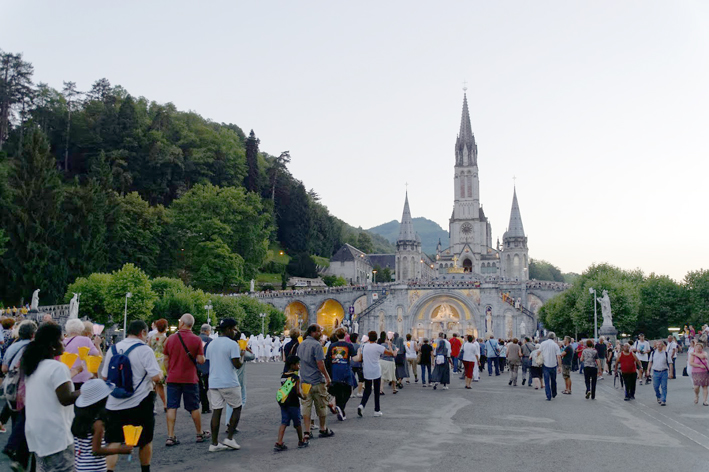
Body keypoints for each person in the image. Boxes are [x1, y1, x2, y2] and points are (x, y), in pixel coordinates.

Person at [101, 320, 162, 472]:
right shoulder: (144, 350)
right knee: (145, 440)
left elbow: (104, 377)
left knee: (113, 441)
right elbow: (156, 378)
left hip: (114, 403)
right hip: (140, 402)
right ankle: (145, 469)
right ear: (142, 332)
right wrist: (160, 373)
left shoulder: (113, 349)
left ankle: (109, 470)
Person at [23, 323, 81, 472]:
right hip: (56, 435)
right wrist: (89, 390)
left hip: (37, 432)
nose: (64, 344)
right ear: (52, 345)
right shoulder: (57, 367)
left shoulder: (34, 367)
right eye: (61, 340)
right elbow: (66, 398)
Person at [163, 313, 210, 446]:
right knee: (194, 407)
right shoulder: (196, 340)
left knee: (172, 406)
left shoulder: (170, 339)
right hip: (190, 378)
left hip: (173, 378)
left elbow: (165, 359)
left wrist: (169, 371)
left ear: (182, 323)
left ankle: (170, 436)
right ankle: (199, 433)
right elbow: (201, 360)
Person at [71, 379, 133, 471]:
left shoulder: (79, 419)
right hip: (95, 468)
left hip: (80, 466)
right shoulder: (98, 424)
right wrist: (122, 450)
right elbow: (96, 450)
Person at [205, 318, 242, 452]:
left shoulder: (212, 344)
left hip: (214, 381)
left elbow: (208, 361)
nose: (235, 332)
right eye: (234, 329)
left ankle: (214, 443)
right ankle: (230, 438)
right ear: (228, 329)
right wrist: (242, 356)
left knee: (217, 410)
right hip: (228, 381)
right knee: (237, 407)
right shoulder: (232, 344)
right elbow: (237, 365)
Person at [296, 324, 334, 441]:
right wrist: (327, 377)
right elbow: (320, 364)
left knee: (306, 406)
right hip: (317, 380)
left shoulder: (301, 345)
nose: (320, 334)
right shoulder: (317, 345)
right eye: (318, 331)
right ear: (312, 332)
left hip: (305, 381)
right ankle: (323, 428)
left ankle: (307, 431)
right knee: (321, 405)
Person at [355, 330, 395, 417]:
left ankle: (362, 405)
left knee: (367, 389)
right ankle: (377, 410)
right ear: (376, 338)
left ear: (369, 338)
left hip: (367, 369)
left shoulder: (364, 346)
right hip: (376, 370)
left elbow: (360, 358)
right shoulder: (378, 347)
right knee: (376, 391)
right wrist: (389, 345)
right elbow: (391, 353)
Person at [274, 355, 307, 452]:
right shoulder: (295, 377)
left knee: (284, 422)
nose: (299, 366)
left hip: (284, 403)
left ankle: (279, 442)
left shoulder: (283, 376)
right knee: (297, 423)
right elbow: (297, 392)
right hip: (293, 403)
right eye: (297, 364)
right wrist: (303, 397)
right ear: (293, 365)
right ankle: (301, 440)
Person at [325, 328, 355, 421]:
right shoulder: (349, 345)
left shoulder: (332, 346)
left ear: (336, 336)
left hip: (335, 370)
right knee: (348, 390)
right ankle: (340, 407)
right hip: (345, 369)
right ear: (345, 335)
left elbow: (328, 359)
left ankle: (340, 410)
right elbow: (354, 358)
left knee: (338, 390)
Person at [63, 318, 101, 391]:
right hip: (83, 376)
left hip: (69, 376)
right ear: (81, 328)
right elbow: (97, 356)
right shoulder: (85, 340)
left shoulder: (63, 342)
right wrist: (97, 344)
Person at [148, 318, 169, 411]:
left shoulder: (151, 338)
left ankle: (152, 404)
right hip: (161, 361)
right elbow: (168, 351)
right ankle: (165, 404)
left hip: (152, 360)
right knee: (160, 385)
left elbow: (148, 348)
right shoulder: (165, 339)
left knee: (153, 384)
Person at [647, 340, 673, 406]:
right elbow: (650, 362)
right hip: (655, 372)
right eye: (657, 344)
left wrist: (671, 373)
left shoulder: (666, 353)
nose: (659, 346)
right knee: (656, 386)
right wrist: (648, 370)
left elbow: (670, 363)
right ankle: (658, 396)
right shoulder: (653, 353)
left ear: (663, 345)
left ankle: (663, 400)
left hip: (664, 371)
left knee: (664, 386)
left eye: (660, 344)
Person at [540, 332, 562, 401]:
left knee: (546, 381)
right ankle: (554, 393)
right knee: (553, 380)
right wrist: (560, 366)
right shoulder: (555, 345)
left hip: (545, 364)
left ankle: (548, 395)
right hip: (553, 364)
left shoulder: (543, 344)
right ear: (554, 337)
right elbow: (558, 356)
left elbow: (539, 351)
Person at [198, 324, 213, 414]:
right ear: (207, 331)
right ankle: (204, 406)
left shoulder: (195, 339)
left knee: (200, 387)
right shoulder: (210, 340)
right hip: (207, 365)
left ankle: (202, 405)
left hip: (196, 365)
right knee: (205, 387)